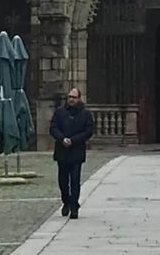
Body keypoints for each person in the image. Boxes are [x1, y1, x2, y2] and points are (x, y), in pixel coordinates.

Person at [50, 86, 95, 220]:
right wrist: (62, 138)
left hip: (76, 151)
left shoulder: (85, 114)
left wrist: (74, 140)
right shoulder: (60, 112)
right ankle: (66, 201)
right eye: (69, 97)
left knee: (75, 180)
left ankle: (74, 206)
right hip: (62, 151)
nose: (71, 100)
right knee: (63, 181)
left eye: (74, 97)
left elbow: (88, 131)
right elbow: (53, 128)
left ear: (79, 99)